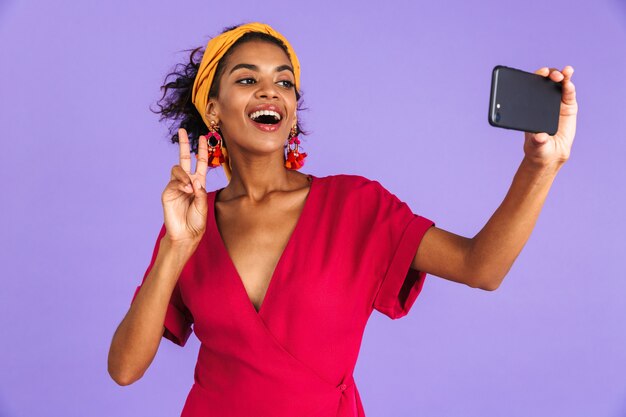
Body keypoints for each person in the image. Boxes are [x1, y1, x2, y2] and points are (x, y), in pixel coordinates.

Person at [107, 22, 578, 417]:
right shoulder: (190, 222)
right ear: (213, 109)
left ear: (291, 112)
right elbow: (125, 369)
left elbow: (482, 267)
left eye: (285, 81)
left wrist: (541, 165)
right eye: (247, 80)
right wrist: (177, 246)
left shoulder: (355, 205)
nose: (270, 89)